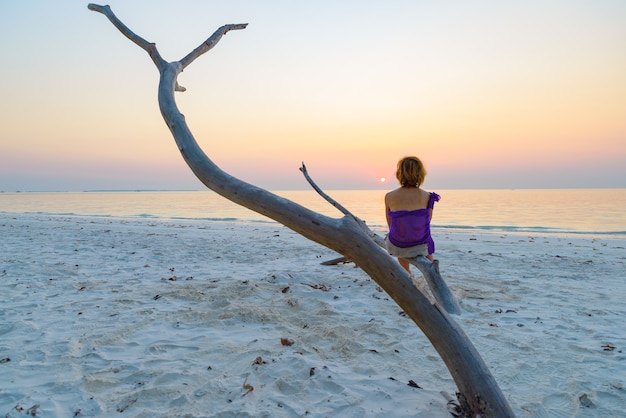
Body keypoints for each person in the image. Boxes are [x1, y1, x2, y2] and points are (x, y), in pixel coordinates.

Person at [384, 156, 440, 272]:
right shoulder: (428, 196)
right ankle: (431, 270)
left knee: (399, 233)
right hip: (420, 244)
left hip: (398, 244)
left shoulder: (389, 196)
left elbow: (390, 222)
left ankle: (407, 272)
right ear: (421, 174)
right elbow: (428, 221)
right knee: (426, 236)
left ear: (400, 174)